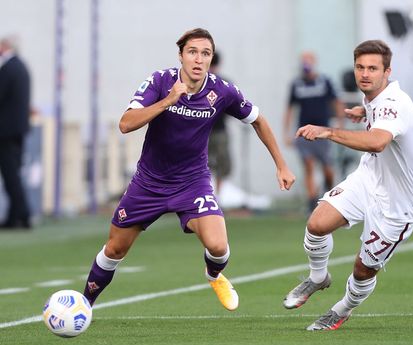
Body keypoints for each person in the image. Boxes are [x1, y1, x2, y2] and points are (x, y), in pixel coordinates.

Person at [83, 28, 295, 311]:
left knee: (218, 247)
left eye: (205, 53)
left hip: (192, 183)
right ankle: (84, 304)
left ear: (210, 59)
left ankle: (213, 275)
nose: (198, 59)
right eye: (192, 52)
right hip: (148, 183)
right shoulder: (160, 82)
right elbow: (126, 123)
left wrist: (281, 164)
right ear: (181, 55)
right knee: (115, 249)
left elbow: (258, 120)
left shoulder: (221, 90)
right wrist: (168, 100)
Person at [283, 40, 413, 330]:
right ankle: (317, 277)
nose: (365, 74)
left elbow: (377, 141)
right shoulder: (374, 97)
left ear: (387, 71)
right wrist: (363, 112)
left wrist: (328, 132)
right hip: (369, 178)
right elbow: (378, 115)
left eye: (373, 68)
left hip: (399, 203)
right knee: (317, 224)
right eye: (360, 67)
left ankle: (342, 309)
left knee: (363, 269)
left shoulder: (392, 104)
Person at [283, 52, 344, 212]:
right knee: (308, 165)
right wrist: (287, 133)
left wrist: (339, 123)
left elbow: (336, 102)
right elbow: (289, 109)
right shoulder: (297, 84)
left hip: (323, 132)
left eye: (308, 60)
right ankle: (312, 203)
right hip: (304, 133)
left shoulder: (324, 81)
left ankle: (330, 193)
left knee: (327, 168)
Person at [0, 36, 31, 229]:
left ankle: (22, 215)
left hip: (5, 132)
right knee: (14, 175)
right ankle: (15, 216)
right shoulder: (21, 67)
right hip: (18, 130)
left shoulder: (7, 69)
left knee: (11, 176)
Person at [207, 51, 231, 195]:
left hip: (220, 130)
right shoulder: (198, 83)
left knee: (222, 164)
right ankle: (205, 194)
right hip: (202, 132)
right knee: (203, 164)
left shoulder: (224, 84)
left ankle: (218, 197)